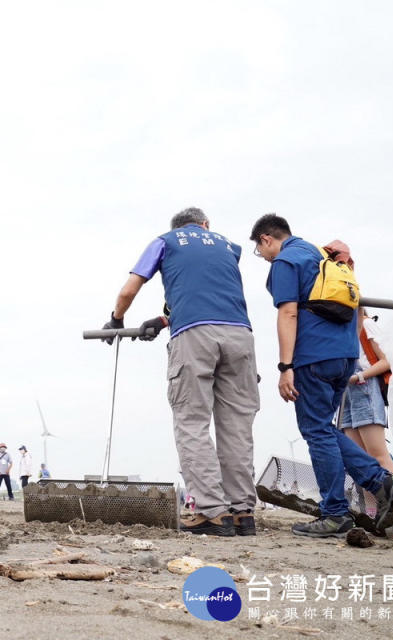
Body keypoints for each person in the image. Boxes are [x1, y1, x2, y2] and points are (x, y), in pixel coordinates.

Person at [250, 213, 393, 538]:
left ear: (266, 239)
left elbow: (288, 311)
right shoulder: (323, 256)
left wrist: (285, 367)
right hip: (344, 356)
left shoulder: (286, 261)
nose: (265, 257)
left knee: (315, 430)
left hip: (314, 355)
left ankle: (335, 513)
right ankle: (383, 485)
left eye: (261, 250)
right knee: (325, 430)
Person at [102, 208, 259, 537]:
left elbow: (129, 289)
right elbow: (207, 292)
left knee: (192, 422)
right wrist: (161, 321)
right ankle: (242, 511)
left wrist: (116, 319)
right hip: (241, 337)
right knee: (237, 425)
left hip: (195, 337)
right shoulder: (228, 247)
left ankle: (211, 511)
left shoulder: (165, 241)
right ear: (205, 225)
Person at [338, 309, 393, 537]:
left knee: (378, 454)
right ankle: (378, 514)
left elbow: (388, 361)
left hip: (365, 388)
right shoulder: (342, 330)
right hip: (347, 392)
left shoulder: (367, 324)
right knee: (358, 459)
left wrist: (360, 376)